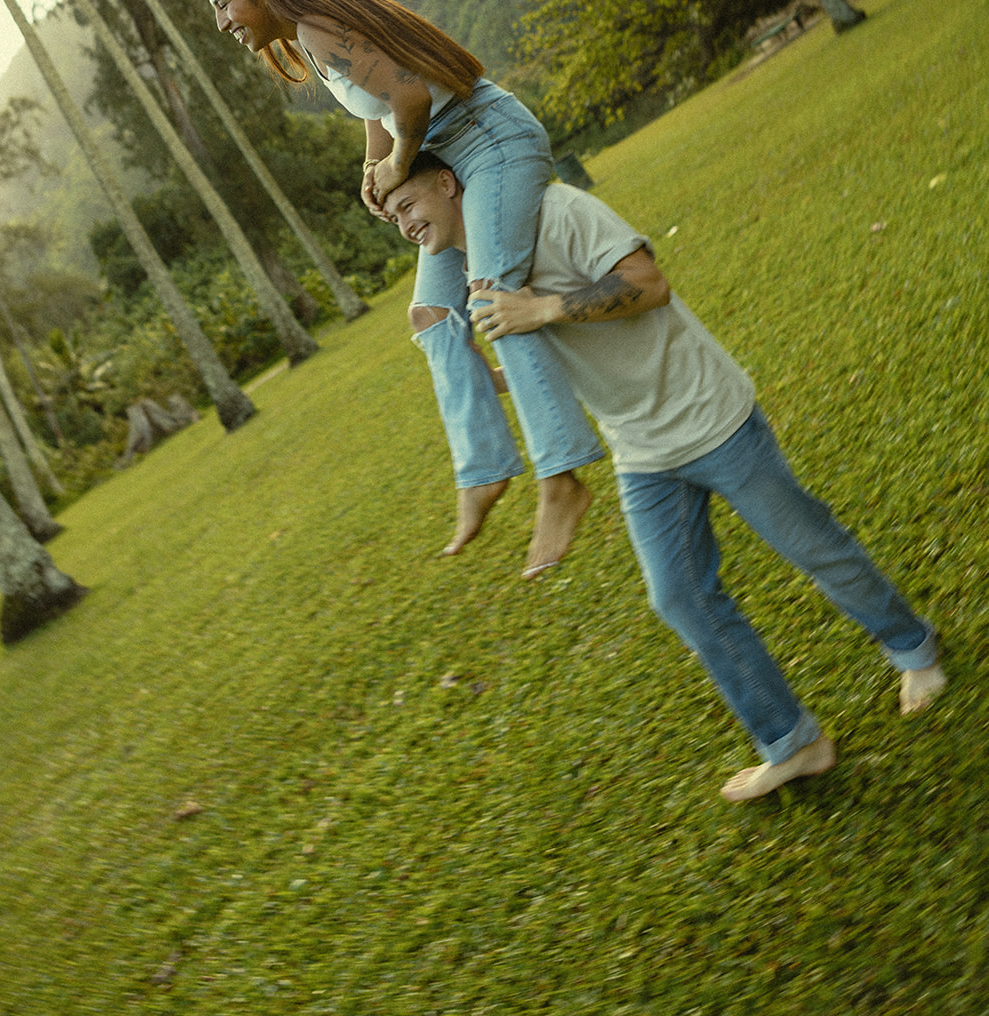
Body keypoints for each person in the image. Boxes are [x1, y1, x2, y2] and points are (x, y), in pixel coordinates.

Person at [383, 154, 947, 802]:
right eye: (393, 216)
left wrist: (542, 309)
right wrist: (492, 375)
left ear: (448, 184)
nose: (403, 226)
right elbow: (539, 355)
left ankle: (913, 648)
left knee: (810, 545)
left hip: (709, 417)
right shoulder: (476, 273)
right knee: (677, 594)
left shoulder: (557, 210)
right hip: (640, 451)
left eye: (407, 207)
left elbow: (647, 284)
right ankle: (793, 743)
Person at [200, 0, 604, 574]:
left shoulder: (316, 28)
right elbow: (380, 101)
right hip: (453, 150)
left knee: (494, 300)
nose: (222, 22)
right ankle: (483, 470)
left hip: (490, 140)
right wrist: (373, 165)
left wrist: (400, 164)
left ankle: (561, 479)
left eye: (224, 3)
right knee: (433, 313)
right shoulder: (313, 32)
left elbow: (413, 97)